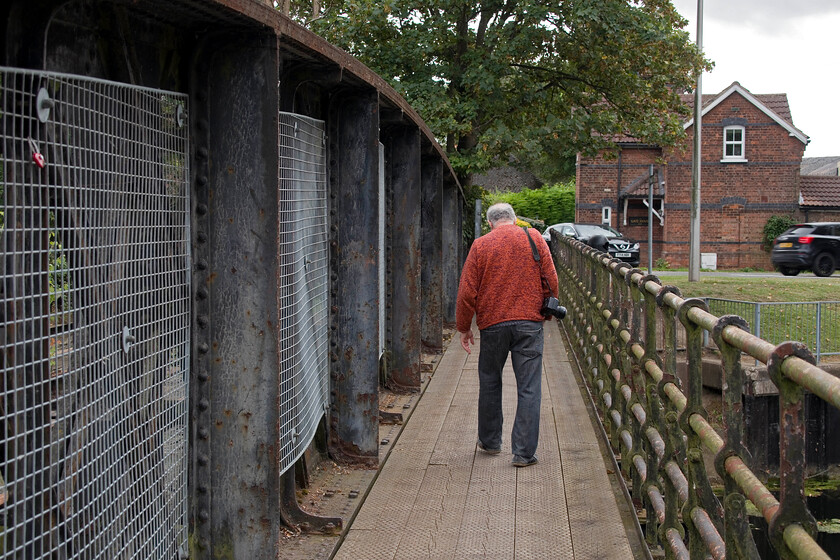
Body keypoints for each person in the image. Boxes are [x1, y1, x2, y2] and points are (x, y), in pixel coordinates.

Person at [455, 202, 559, 468]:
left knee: (490, 381)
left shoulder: (481, 245)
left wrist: (464, 327)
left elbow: (467, 292)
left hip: (493, 324)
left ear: (490, 223)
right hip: (529, 323)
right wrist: (547, 311)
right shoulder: (534, 238)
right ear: (514, 219)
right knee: (529, 387)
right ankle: (523, 454)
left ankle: (490, 442)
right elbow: (551, 278)